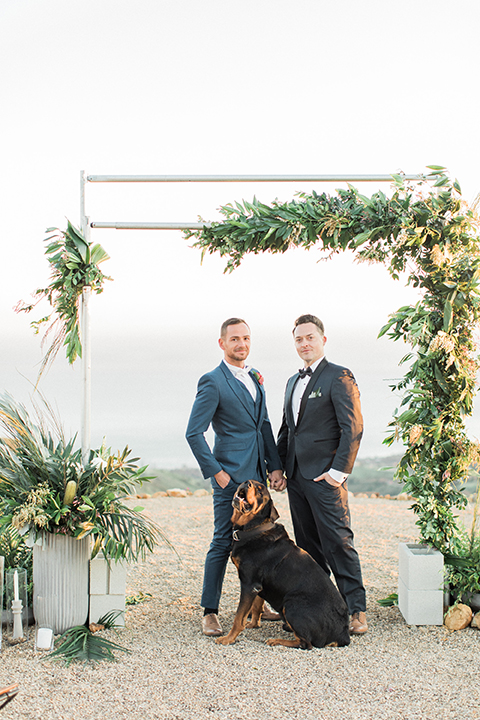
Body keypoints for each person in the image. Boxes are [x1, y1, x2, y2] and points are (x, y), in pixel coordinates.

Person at [186, 318, 284, 636]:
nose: (241, 344)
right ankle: (210, 611)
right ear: (222, 344)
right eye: (234, 340)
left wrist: (274, 466)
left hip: (258, 478)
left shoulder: (255, 377)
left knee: (263, 542)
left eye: (246, 338)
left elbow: (264, 425)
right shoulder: (212, 381)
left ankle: (261, 604)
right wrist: (217, 473)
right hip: (231, 479)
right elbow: (194, 433)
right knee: (222, 541)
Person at [273, 313, 368, 635]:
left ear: (323, 340)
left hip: (326, 477)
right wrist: (280, 469)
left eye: (310, 337)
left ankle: (356, 608)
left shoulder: (339, 376)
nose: (304, 343)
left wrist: (337, 473)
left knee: (338, 542)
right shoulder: (291, 382)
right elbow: (288, 431)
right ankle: (321, 607)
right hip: (297, 478)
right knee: (307, 547)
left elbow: (352, 427)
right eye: (299, 339)